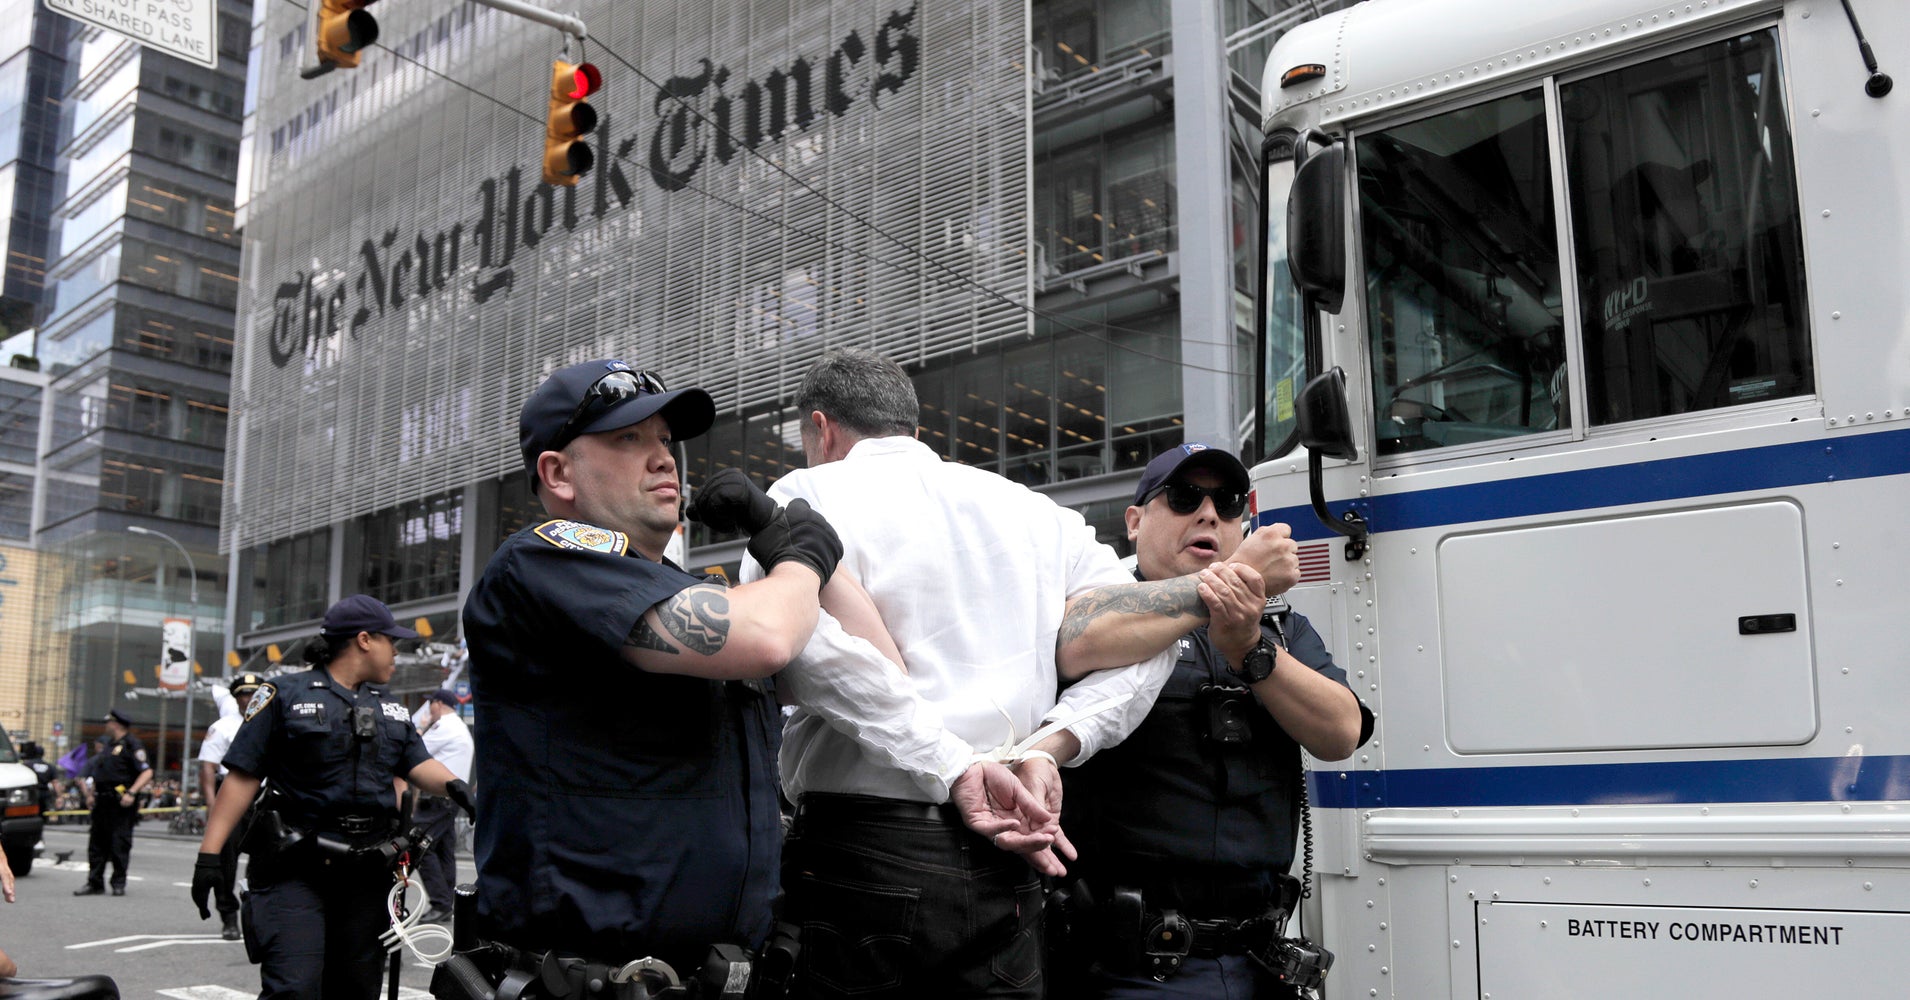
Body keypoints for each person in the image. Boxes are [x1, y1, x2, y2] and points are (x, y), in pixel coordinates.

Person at [722, 349, 1302, 999]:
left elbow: (813, 654)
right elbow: (1146, 637)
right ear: (916, 434)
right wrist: (1050, 748)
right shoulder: (1036, 514)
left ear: (822, 430)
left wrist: (955, 766)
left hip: (868, 846)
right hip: (1014, 854)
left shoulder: (804, 496)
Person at [458, 359, 865, 988]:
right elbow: (767, 637)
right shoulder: (542, 563)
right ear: (557, 472)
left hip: (720, 974)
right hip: (587, 979)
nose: (663, 459)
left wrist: (781, 533)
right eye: (628, 439)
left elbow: (876, 666)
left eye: (664, 440)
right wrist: (800, 555)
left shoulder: (696, 593)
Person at [1053, 444, 1373, 999]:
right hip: (1125, 966)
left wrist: (1252, 650)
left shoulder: (1278, 628)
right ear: (1134, 521)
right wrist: (1238, 575)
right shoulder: (1101, 601)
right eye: (1183, 497)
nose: (1208, 514)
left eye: (1226, 503)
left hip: (1259, 960)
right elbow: (1074, 640)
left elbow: (1342, 732)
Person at [190, 595, 476, 1000]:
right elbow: (242, 777)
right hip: (295, 868)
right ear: (363, 640)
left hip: (366, 873)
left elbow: (416, 763)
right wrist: (210, 856)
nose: (397, 650)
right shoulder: (283, 695)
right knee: (296, 988)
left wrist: (458, 789)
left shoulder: (389, 709)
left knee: (356, 990)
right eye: (389, 640)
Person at [196, 673, 265, 940]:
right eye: (243, 695)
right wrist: (213, 805)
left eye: (254, 694)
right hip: (232, 796)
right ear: (236, 699)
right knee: (226, 863)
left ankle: (256, 913)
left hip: (266, 797)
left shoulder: (274, 723)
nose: (248, 700)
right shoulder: (223, 726)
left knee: (264, 862)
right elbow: (208, 768)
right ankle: (229, 916)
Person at [73, 709, 152, 897]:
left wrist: (132, 792)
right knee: (97, 843)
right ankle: (94, 882)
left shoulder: (132, 744)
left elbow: (147, 772)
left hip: (121, 801)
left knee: (119, 842)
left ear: (116, 724)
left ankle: (118, 882)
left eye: (108, 722)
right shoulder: (109, 745)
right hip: (102, 800)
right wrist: (91, 794)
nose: (106, 725)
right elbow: (100, 773)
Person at [412, 689, 472, 925]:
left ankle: (440, 903)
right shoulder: (457, 726)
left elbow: (415, 749)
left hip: (439, 799)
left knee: (420, 845)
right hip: (449, 799)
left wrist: (420, 727)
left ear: (439, 704)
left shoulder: (445, 726)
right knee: (443, 850)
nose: (429, 710)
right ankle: (446, 902)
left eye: (430, 704)